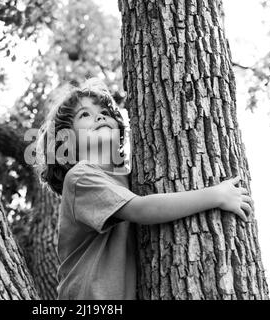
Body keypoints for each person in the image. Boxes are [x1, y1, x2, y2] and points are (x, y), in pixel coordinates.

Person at [33, 78, 252, 300]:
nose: (100, 116)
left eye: (105, 112)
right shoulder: (80, 178)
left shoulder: (128, 178)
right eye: (84, 115)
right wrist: (215, 195)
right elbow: (142, 210)